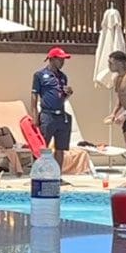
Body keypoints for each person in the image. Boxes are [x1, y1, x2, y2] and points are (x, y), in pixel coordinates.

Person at [31, 46, 75, 174]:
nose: (63, 62)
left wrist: (68, 94)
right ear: (52, 59)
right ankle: (39, 174)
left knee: (60, 148)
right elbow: (34, 96)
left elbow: (62, 98)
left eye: (63, 60)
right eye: (60, 59)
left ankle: (57, 176)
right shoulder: (39, 75)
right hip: (47, 115)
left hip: (61, 116)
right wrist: (34, 117)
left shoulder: (63, 77)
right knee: (42, 148)